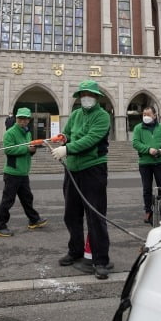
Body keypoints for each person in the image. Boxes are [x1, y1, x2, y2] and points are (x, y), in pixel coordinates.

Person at [50, 80, 112, 280]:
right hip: (73, 170)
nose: (86, 97)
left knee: (95, 215)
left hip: (93, 169)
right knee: (71, 214)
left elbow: (91, 139)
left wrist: (67, 149)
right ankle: (75, 250)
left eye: (90, 94)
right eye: (83, 94)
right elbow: (68, 133)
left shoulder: (102, 116)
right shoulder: (76, 115)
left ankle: (100, 259)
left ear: (96, 97)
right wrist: (63, 138)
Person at [0, 107, 47, 237]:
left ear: (29, 120)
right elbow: (9, 151)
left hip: (23, 172)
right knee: (8, 200)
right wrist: (27, 149)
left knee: (27, 198)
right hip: (12, 173)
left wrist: (33, 150)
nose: (23, 121)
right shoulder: (10, 133)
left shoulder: (27, 132)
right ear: (16, 119)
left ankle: (34, 220)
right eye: (20, 119)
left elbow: (28, 151)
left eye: (25, 119)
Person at [131, 106, 161, 225]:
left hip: (159, 162)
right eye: (144, 114)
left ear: (155, 115)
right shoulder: (138, 128)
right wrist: (148, 150)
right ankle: (148, 211)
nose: (146, 117)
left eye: (148, 114)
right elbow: (135, 143)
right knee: (147, 188)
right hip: (145, 163)